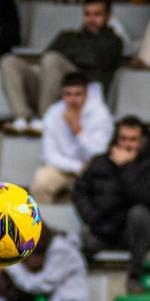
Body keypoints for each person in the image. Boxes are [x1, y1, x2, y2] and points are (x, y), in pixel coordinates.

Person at [0, 0, 123, 134]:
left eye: (97, 14)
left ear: (108, 16)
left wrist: (68, 54)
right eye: (87, 14)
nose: (91, 19)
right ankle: (21, 118)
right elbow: (44, 61)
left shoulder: (114, 41)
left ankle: (45, 118)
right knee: (8, 62)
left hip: (80, 98)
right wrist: (76, 54)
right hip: (51, 91)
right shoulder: (67, 36)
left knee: (53, 60)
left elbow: (92, 59)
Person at [73, 115, 150, 295]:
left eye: (133, 139)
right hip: (101, 229)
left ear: (143, 141)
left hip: (132, 234)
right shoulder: (100, 162)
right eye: (123, 138)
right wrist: (91, 216)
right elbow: (80, 192)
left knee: (140, 214)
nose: (127, 144)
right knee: (77, 241)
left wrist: (126, 168)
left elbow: (148, 199)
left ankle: (134, 277)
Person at [32, 72, 112, 208]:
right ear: (62, 95)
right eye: (68, 94)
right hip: (64, 168)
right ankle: (41, 226)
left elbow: (100, 153)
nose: (73, 100)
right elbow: (50, 155)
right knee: (41, 180)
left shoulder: (100, 114)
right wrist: (77, 167)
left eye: (78, 94)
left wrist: (78, 131)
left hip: (93, 170)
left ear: (86, 94)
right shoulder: (53, 113)